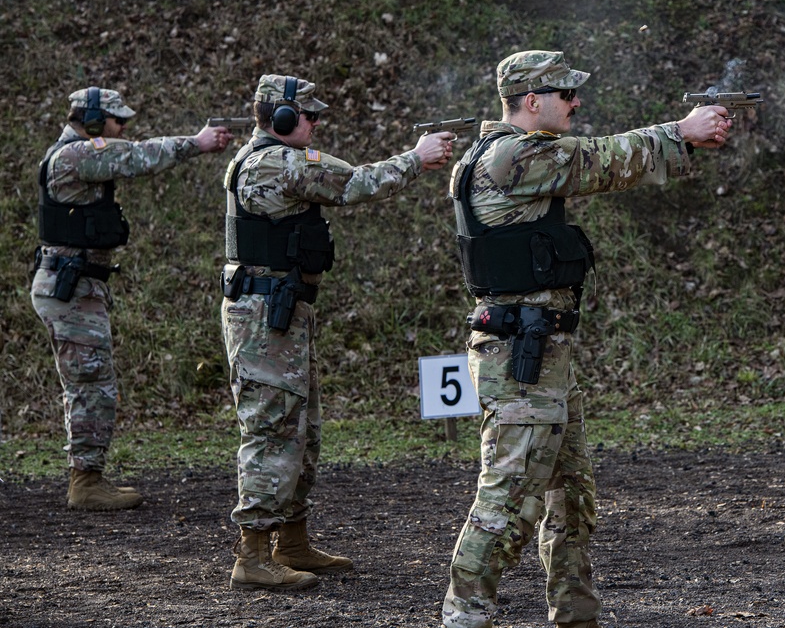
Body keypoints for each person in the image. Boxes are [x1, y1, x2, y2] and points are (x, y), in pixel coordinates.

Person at [441, 50, 732, 628]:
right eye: (565, 95)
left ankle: (575, 613)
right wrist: (680, 133)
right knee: (507, 504)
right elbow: (600, 160)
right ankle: (462, 616)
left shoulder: (505, 152)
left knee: (571, 496)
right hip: (521, 358)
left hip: (544, 353)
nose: (576, 103)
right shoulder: (509, 157)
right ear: (531, 102)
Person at [221, 73, 454, 592]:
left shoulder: (274, 161)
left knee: (302, 429)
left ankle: (292, 540)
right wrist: (416, 157)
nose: (317, 124)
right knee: (272, 431)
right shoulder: (274, 165)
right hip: (266, 316)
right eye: (309, 115)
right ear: (281, 119)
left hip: (280, 312)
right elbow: (356, 184)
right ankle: (253, 554)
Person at [31, 86, 233, 512]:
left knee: (90, 381)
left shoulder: (76, 153)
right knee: (91, 383)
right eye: (115, 119)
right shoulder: (76, 155)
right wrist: (196, 144)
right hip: (72, 286)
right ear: (90, 122)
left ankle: (87, 476)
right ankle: (85, 482)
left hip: (78, 283)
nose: (122, 126)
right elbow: (138, 155)